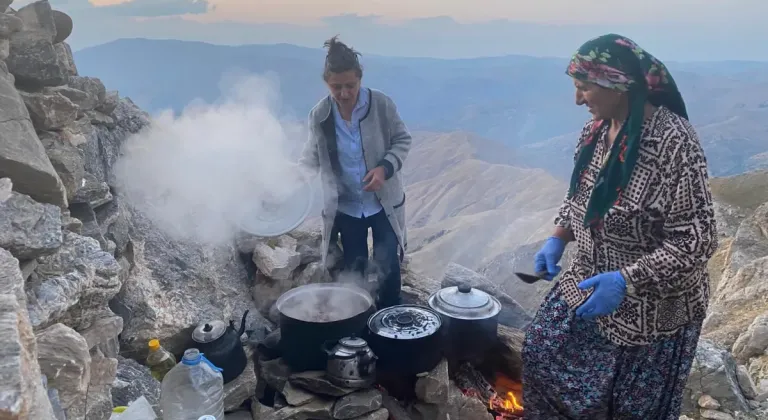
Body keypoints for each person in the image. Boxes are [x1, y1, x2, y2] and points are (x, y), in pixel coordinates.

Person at [522, 34, 718, 419]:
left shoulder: (673, 142)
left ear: (618, 84)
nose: (578, 100)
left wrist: (625, 280)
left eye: (584, 88)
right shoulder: (595, 132)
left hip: (654, 308)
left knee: (630, 408)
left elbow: (697, 240)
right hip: (589, 280)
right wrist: (558, 237)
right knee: (541, 353)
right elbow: (579, 195)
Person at [299, 36, 411, 309]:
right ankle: (359, 320)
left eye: (351, 85)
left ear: (360, 79)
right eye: (337, 87)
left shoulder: (382, 105)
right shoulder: (321, 115)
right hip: (347, 207)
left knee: (388, 265)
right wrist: (295, 175)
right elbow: (312, 155)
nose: (345, 93)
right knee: (354, 268)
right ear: (327, 83)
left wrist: (384, 168)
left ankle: (389, 316)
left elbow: (403, 140)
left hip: (383, 205)